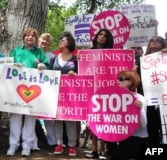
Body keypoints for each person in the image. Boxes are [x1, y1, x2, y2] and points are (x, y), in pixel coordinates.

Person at [6, 28, 48, 157]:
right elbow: (7, 66)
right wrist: (14, 66)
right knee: (15, 118)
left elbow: (46, 65)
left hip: (34, 91)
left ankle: (27, 146)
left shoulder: (39, 52)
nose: (30, 37)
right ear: (23, 37)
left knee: (30, 118)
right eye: (27, 35)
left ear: (36, 39)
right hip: (17, 89)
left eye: (32, 36)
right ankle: (13, 145)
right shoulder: (16, 51)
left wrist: (42, 66)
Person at [85, 28, 114, 160]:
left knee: (104, 121)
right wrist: (80, 58)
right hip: (91, 90)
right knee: (92, 121)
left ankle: (103, 149)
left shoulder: (112, 54)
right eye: (100, 34)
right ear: (96, 36)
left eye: (105, 36)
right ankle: (94, 149)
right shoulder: (88, 53)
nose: (102, 37)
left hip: (106, 91)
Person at [106, 70, 148, 160]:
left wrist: (139, 109)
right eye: (117, 78)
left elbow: (143, 125)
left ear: (130, 82)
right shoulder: (116, 97)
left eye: (121, 79)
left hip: (136, 137)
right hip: (121, 135)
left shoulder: (140, 98)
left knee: (118, 154)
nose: (117, 81)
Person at [51, 31, 78, 157]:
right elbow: (49, 75)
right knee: (57, 119)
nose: (60, 41)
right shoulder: (53, 58)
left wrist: (75, 75)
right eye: (59, 39)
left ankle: (72, 146)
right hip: (56, 94)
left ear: (69, 43)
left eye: (63, 40)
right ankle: (59, 144)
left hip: (71, 94)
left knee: (69, 119)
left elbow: (83, 77)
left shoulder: (75, 59)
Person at [143, 36, 167, 144]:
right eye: (152, 40)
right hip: (149, 101)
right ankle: (154, 152)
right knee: (152, 129)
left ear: (162, 44)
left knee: (164, 128)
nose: (155, 42)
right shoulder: (142, 62)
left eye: (158, 41)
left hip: (164, 100)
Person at [35, 33, 57, 148]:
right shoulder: (33, 53)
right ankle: (33, 143)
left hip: (47, 89)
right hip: (31, 89)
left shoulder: (52, 56)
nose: (45, 42)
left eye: (48, 41)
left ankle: (52, 141)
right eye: (43, 39)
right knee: (31, 116)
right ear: (39, 40)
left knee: (47, 116)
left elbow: (54, 72)